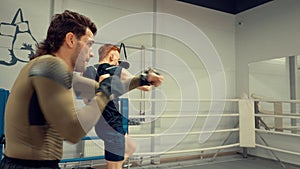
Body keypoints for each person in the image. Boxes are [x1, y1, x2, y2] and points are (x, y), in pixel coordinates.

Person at [0, 10, 163, 169]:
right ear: (71, 40)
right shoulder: (51, 66)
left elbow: (105, 89)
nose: (91, 54)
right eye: (89, 44)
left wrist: (141, 79)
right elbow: (73, 130)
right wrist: (105, 91)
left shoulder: (48, 68)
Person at [83, 44, 153, 169]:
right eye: (117, 58)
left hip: (100, 123)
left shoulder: (88, 71)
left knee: (130, 147)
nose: (118, 62)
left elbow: (86, 100)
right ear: (111, 55)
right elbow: (145, 87)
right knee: (114, 165)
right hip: (112, 124)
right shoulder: (114, 70)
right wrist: (150, 77)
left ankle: (116, 162)